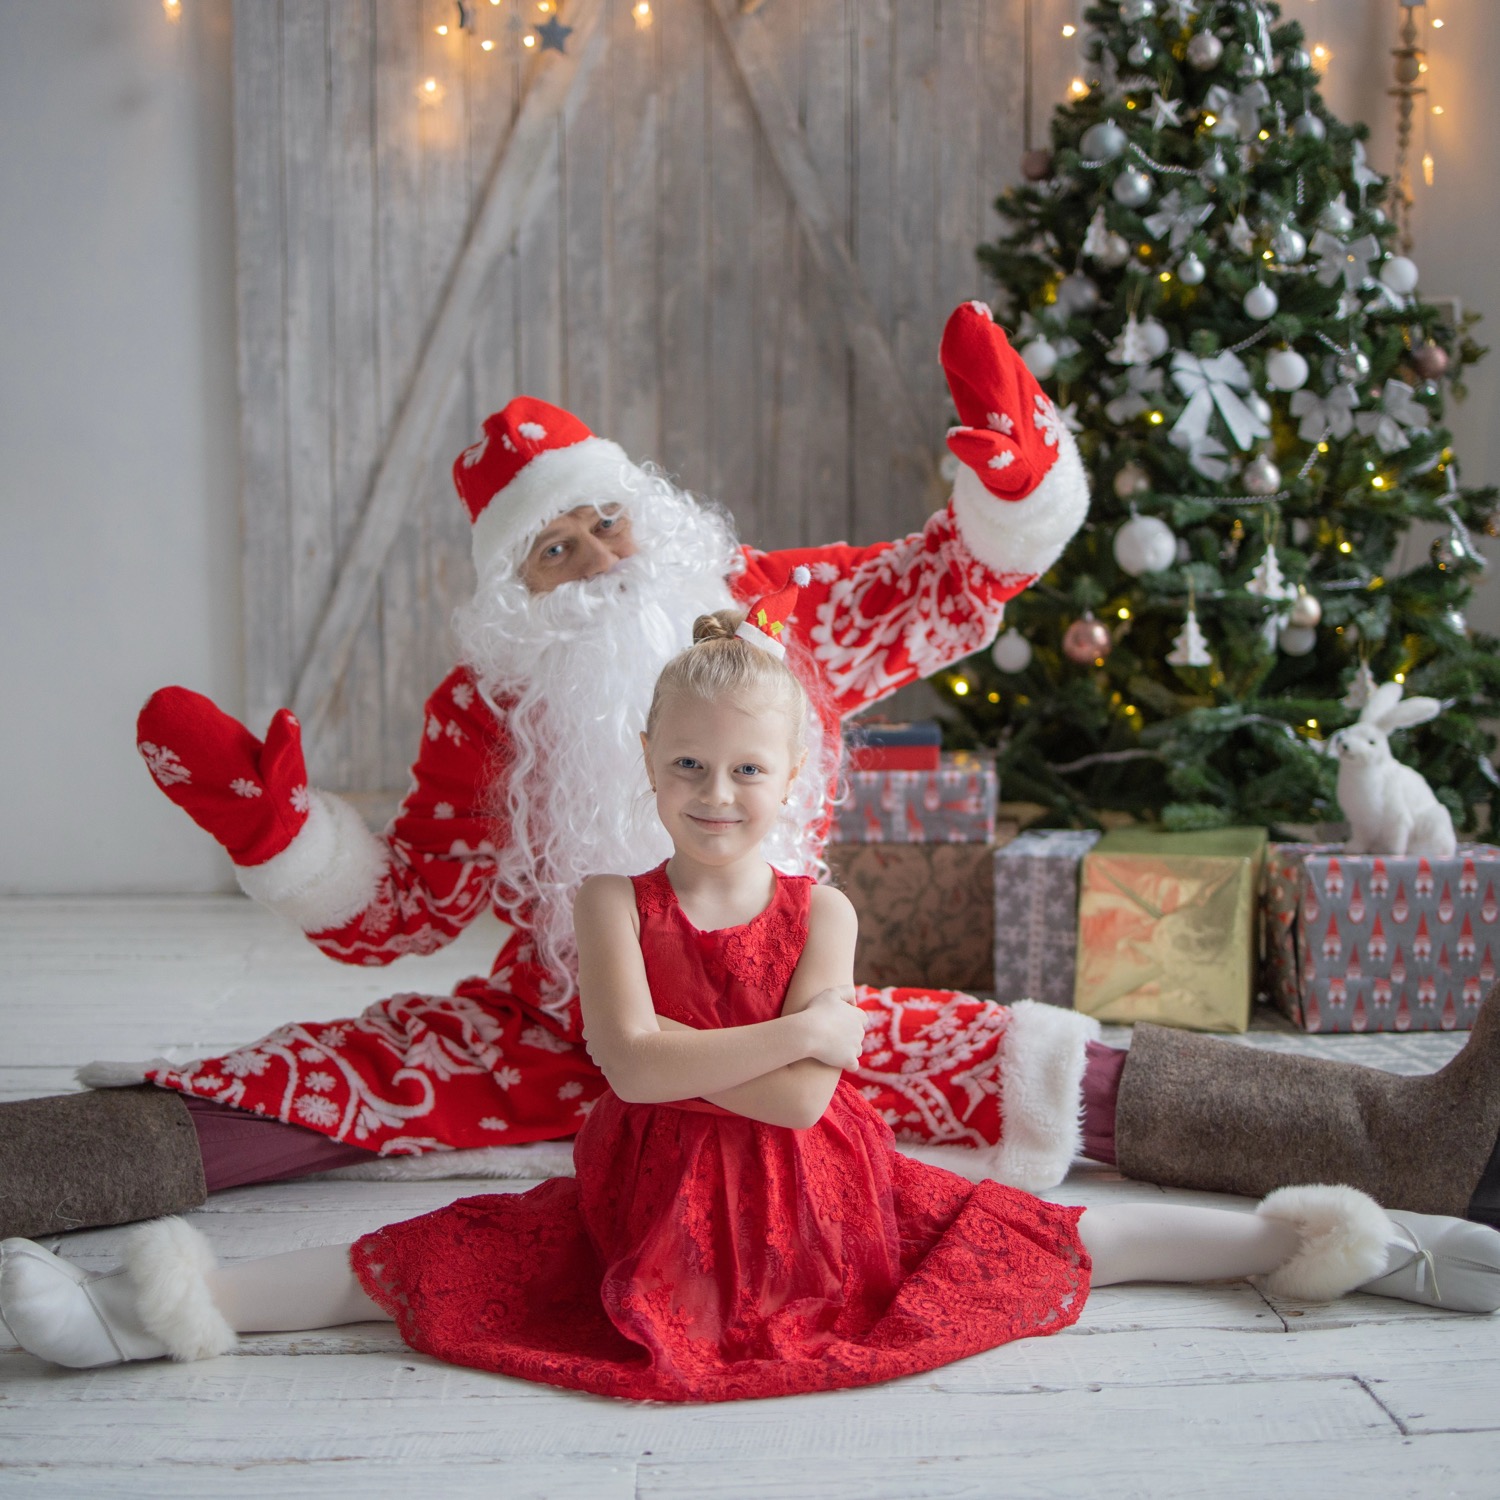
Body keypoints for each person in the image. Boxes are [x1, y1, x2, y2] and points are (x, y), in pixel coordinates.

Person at [3, 302, 1498, 1245]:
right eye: (553, 547)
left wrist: (1011, 482)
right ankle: (30, 1169)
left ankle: (1403, 1139)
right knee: (321, 1077)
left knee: (1028, 1060)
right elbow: (405, 910)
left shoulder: (769, 612)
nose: (595, 556)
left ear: (649, 513)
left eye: (602, 520)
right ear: (518, 590)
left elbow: (936, 590)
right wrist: (278, 832)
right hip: (556, 1024)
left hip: (787, 1003)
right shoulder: (487, 710)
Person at [4, 585, 1497, 1393]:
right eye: (688, 766)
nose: (716, 794)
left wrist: (741, 1048)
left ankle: (1351, 1242)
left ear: (792, 780)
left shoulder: (820, 907)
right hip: (647, 1193)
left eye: (746, 771)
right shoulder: (611, 900)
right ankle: (134, 1314)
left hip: (820, 1197)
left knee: (1061, 1237)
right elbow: (631, 1067)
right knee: (430, 1262)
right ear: (649, 767)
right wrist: (792, 1031)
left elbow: (792, 1106)